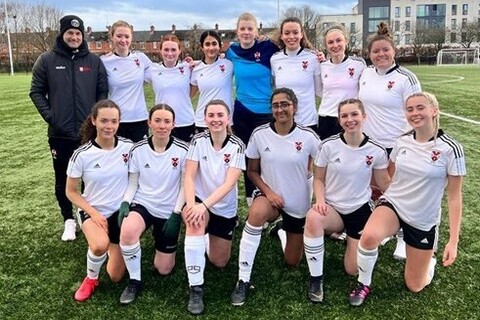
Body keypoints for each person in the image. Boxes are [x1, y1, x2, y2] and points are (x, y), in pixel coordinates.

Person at [348, 92, 466, 306]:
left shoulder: (450, 149)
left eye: (420, 108)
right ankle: (363, 283)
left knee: (414, 284)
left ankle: (428, 260)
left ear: (434, 110)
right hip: (394, 204)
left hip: (423, 217)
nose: (414, 113)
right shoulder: (401, 141)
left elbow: (455, 197)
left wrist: (453, 241)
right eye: (410, 109)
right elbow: (390, 176)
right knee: (369, 236)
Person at [230, 88, 321, 306]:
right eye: (276, 105)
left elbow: (320, 169)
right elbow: (251, 171)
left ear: (294, 108)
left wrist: (317, 196)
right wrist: (269, 193)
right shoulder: (260, 134)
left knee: (292, 261)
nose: (280, 109)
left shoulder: (308, 136)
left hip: (298, 204)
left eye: (285, 104)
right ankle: (243, 279)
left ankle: (282, 230)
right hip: (269, 197)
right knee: (256, 212)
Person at [30, 15, 108, 241]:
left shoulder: (94, 61)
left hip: (88, 133)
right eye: (70, 33)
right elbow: (36, 91)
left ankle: (88, 216)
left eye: (77, 33)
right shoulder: (46, 60)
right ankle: (68, 220)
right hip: (60, 133)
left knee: (91, 177)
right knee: (63, 178)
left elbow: (102, 92)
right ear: (62, 34)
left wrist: (96, 118)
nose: (74, 37)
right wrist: (51, 116)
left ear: (82, 35)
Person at [303, 99, 390, 303]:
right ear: (339, 120)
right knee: (313, 218)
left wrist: (405, 199)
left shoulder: (376, 150)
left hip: (359, 210)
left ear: (363, 117)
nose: (349, 120)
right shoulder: (328, 145)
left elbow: (384, 183)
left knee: (352, 270)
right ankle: (316, 279)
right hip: (332, 208)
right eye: (344, 116)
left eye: (354, 114)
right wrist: (321, 200)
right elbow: (318, 178)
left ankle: (348, 236)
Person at [359, 22, 421, 258]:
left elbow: (416, 111)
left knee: (399, 193)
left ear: (394, 51)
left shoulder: (407, 78)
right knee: (376, 192)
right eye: (376, 51)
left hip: (397, 145)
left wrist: (409, 143)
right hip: (371, 145)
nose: (381, 54)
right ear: (369, 54)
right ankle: (384, 229)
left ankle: (405, 238)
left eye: (385, 50)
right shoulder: (365, 73)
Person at [117, 104, 188, 304]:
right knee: (128, 231)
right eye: (157, 120)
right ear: (149, 123)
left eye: (167, 121)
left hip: (169, 210)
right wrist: (125, 203)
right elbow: (133, 182)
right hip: (143, 204)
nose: (162, 125)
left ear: (174, 125)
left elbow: (185, 185)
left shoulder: (183, 150)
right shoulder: (138, 149)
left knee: (164, 269)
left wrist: (176, 214)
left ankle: (161, 241)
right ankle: (134, 281)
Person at [65, 100, 133, 302]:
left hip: (119, 214)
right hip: (93, 211)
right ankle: (91, 278)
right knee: (98, 246)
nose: (109, 126)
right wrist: (93, 213)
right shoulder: (82, 154)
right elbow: (71, 192)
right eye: (104, 120)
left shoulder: (128, 147)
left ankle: (113, 244)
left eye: (114, 121)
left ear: (119, 123)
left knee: (116, 276)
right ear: (94, 121)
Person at [182, 100, 245, 315]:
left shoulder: (237, 145)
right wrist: (192, 206)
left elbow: (229, 184)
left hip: (223, 207)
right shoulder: (198, 140)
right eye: (211, 115)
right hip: (199, 201)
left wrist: (205, 206)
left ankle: (205, 238)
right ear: (205, 118)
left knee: (219, 262)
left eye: (220, 115)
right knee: (195, 220)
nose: (216, 119)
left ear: (228, 119)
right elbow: (189, 175)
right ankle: (196, 288)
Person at [226, 12, 279, 204]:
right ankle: (251, 199)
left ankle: (270, 198)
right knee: (248, 158)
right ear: (237, 31)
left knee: (267, 158)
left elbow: (293, 42)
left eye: (250, 28)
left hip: (265, 112)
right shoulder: (231, 52)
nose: (246, 32)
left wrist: (316, 53)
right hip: (242, 113)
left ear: (257, 31)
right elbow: (214, 64)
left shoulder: (268, 47)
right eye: (243, 29)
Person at [101, 20, 152, 142]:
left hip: (139, 119)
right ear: (112, 37)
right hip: (116, 120)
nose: (123, 40)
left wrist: (193, 64)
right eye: (119, 36)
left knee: (139, 158)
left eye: (127, 36)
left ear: (131, 38)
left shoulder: (140, 58)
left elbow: (160, 70)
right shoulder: (104, 61)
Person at [316, 25, 366, 140]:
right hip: (326, 119)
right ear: (326, 45)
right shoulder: (322, 66)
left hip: (349, 119)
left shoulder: (358, 64)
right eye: (330, 42)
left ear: (346, 41)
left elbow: (364, 90)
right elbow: (319, 91)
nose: (335, 45)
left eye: (339, 40)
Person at [270, 17, 320, 130]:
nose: (291, 37)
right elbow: (274, 88)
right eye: (287, 33)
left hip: (307, 121)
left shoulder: (313, 58)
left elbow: (319, 90)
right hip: (283, 123)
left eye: (295, 32)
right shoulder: (275, 59)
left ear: (301, 34)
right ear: (281, 36)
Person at [146, 34, 195, 142]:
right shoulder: (152, 70)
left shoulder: (188, 67)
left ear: (179, 51)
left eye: (173, 50)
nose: (170, 53)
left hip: (185, 121)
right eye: (166, 50)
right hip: (162, 124)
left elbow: (207, 66)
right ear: (160, 51)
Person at [191, 30, 234, 131]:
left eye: (214, 44)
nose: (211, 48)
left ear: (220, 46)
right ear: (202, 47)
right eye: (207, 44)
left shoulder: (229, 64)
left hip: (225, 120)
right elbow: (189, 95)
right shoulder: (196, 69)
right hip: (203, 121)